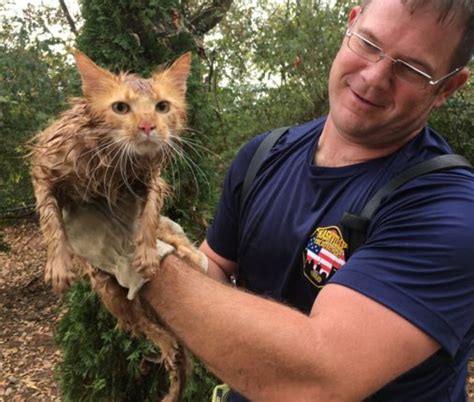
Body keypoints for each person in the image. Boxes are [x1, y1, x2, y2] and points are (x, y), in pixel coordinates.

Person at [97, 0, 474, 400]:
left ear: (447, 88)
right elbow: (216, 270)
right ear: (351, 24)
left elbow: (317, 380)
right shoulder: (263, 155)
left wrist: (140, 258)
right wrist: (155, 239)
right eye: (368, 43)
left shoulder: (450, 212)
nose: (375, 77)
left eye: (411, 69)